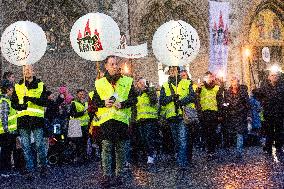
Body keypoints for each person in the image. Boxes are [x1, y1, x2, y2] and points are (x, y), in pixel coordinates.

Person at [91, 55, 137, 187]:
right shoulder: (100, 83)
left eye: (116, 64)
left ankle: (119, 175)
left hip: (121, 121)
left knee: (121, 150)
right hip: (106, 122)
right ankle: (106, 176)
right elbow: (94, 102)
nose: (115, 66)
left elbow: (134, 99)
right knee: (106, 149)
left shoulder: (127, 81)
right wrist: (104, 102)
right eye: (111, 64)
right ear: (106, 66)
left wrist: (122, 104)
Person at [11, 65, 48, 179]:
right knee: (26, 147)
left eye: (29, 69)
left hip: (36, 120)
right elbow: (13, 103)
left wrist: (31, 98)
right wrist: (20, 106)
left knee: (39, 145)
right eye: (24, 69)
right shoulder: (18, 86)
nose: (27, 71)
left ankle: (43, 167)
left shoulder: (41, 85)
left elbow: (45, 102)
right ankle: (30, 170)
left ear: (33, 71)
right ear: (22, 72)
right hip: (23, 121)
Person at [160, 66, 195, 169]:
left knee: (182, 139)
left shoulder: (186, 83)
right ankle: (182, 157)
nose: (172, 72)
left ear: (178, 72)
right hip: (171, 117)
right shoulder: (165, 85)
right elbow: (162, 101)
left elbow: (192, 96)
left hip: (182, 116)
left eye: (174, 70)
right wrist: (171, 98)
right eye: (170, 71)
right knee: (177, 141)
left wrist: (181, 101)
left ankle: (182, 163)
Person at [196, 71, 224, 159]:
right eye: (208, 77)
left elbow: (220, 102)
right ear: (205, 78)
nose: (210, 79)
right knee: (206, 133)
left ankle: (212, 151)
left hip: (213, 113)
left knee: (212, 133)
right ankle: (208, 150)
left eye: (211, 77)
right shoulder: (201, 87)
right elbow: (196, 99)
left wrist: (220, 114)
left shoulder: (217, 88)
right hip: (204, 113)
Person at [134, 77, 159, 169]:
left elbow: (154, 101)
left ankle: (151, 155)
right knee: (143, 139)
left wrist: (147, 90)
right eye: (139, 83)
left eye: (143, 83)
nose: (142, 85)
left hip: (150, 118)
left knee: (149, 137)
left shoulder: (151, 91)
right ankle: (148, 154)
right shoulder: (137, 94)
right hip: (140, 119)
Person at [223, 76, 251, 158]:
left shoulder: (243, 93)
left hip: (241, 115)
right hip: (231, 116)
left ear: (238, 83)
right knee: (233, 133)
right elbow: (225, 103)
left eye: (236, 84)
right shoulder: (227, 92)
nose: (235, 85)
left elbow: (248, 105)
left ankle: (239, 151)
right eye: (233, 83)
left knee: (240, 133)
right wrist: (225, 109)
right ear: (231, 84)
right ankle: (236, 148)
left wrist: (249, 115)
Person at [259, 70, 284, 157]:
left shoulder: (281, 87)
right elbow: (258, 95)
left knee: (279, 131)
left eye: (276, 75)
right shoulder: (265, 87)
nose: (274, 77)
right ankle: (268, 148)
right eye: (272, 75)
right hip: (268, 113)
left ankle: (279, 147)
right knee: (269, 132)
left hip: (279, 113)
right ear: (269, 77)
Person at [0, 81, 18, 176]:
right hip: (5, 132)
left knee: (8, 151)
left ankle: (7, 169)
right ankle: (3, 170)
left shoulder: (7, 100)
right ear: (8, 90)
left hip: (9, 131)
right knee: (5, 152)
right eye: (12, 90)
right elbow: (3, 117)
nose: (13, 91)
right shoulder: (4, 101)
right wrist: (6, 130)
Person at [69, 89, 90, 163]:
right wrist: (82, 112)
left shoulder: (86, 103)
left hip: (85, 125)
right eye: (80, 94)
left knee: (84, 142)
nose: (82, 96)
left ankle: (84, 157)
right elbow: (72, 114)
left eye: (83, 94)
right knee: (77, 143)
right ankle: (76, 158)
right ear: (77, 95)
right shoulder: (74, 103)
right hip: (75, 125)